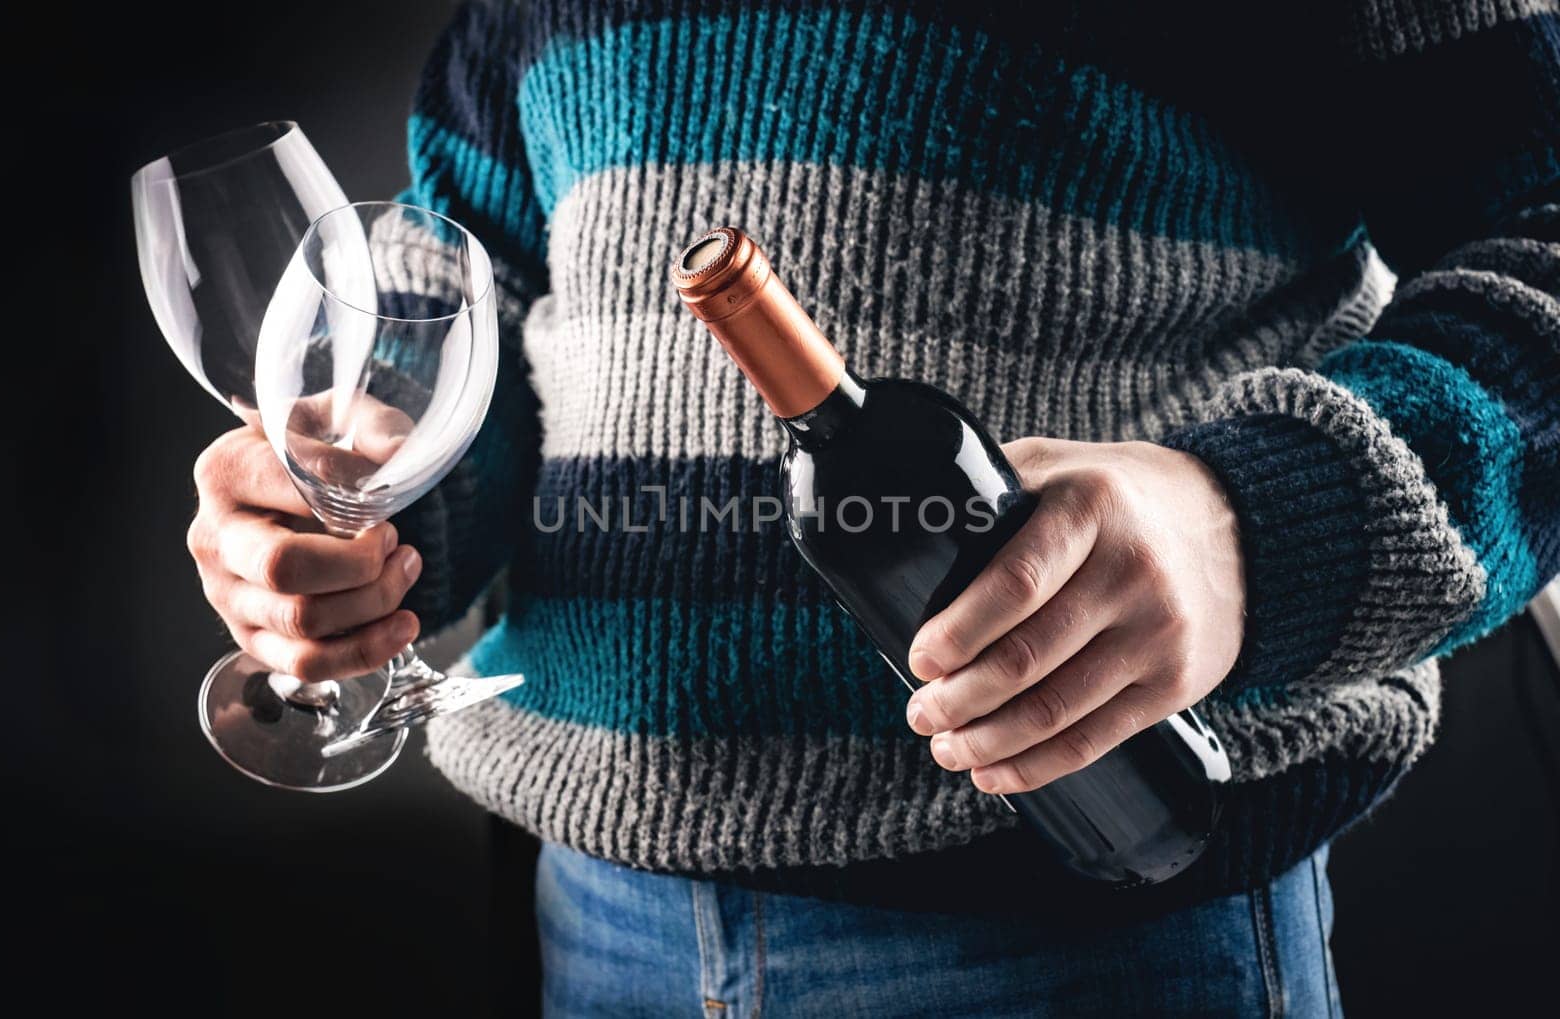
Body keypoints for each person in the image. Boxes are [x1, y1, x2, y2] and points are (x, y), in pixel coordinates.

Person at [185, 1, 1558, 1014]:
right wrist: (377, 504)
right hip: (599, 916)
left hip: (1094, 929)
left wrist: (1251, 528)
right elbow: (479, 288)